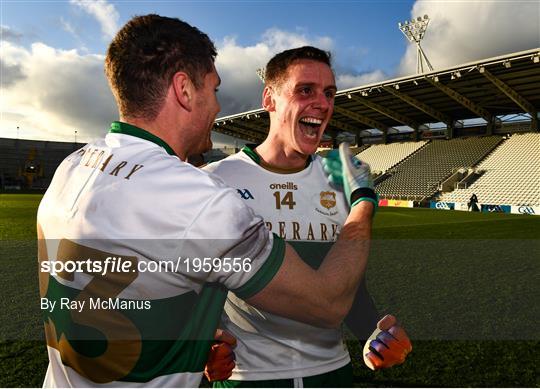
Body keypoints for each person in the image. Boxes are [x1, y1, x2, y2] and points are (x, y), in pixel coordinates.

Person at [37, 15, 388, 388]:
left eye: (329, 93)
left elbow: (144, 292)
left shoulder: (74, 165)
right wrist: (363, 199)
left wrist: (197, 343)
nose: (218, 107)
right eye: (214, 89)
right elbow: (326, 303)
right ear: (184, 90)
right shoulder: (200, 197)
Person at [204, 47, 411, 387]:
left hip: (332, 374)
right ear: (269, 99)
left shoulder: (339, 180)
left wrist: (377, 335)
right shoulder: (216, 179)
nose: (323, 103)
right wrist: (204, 346)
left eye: (329, 93)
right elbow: (195, 289)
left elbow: (351, 289)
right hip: (249, 378)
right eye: (305, 90)